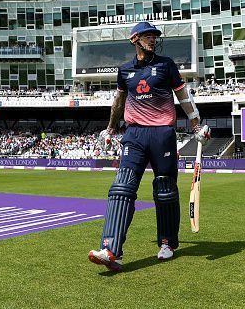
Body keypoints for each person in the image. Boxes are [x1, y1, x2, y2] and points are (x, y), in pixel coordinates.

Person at [88, 21, 211, 271]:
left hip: (162, 133)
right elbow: (118, 102)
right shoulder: (125, 71)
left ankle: (167, 243)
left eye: (154, 36)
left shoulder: (166, 65)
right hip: (134, 135)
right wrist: (110, 128)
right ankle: (111, 250)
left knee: (165, 190)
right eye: (147, 36)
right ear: (134, 40)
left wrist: (196, 126)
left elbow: (184, 97)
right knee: (121, 188)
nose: (153, 40)